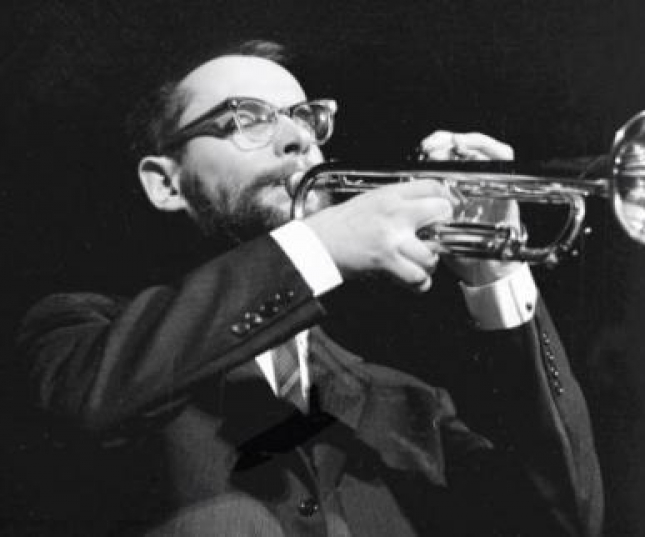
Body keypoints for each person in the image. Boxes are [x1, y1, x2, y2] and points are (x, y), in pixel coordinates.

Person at [18, 40, 603, 536]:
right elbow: (89, 403)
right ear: (166, 184)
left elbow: (562, 518)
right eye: (247, 118)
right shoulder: (79, 334)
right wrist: (318, 246)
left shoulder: (403, 401)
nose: (298, 138)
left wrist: (496, 275)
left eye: (306, 117)